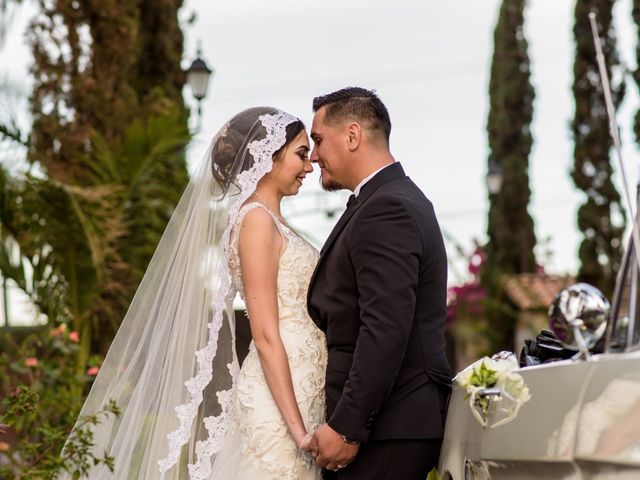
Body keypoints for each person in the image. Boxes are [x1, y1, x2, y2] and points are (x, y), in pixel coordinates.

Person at [60, 107, 325, 480]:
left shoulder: (271, 220)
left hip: (303, 386)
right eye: (300, 154)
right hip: (282, 404)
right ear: (269, 156)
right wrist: (296, 428)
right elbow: (265, 336)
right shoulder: (255, 221)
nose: (309, 166)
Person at [307, 87, 453, 480]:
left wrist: (348, 428)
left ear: (352, 135)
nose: (313, 154)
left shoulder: (386, 209)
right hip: (390, 428)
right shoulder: (387, 199)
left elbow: (386, 328)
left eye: (319, 140)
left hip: (389, 431)